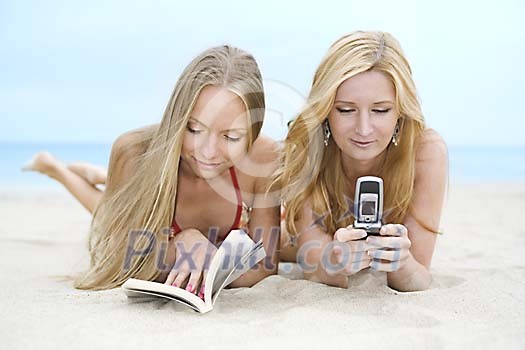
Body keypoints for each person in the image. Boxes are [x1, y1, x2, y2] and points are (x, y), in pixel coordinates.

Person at [23, 45, 281, 296]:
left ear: (252, 131)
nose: (208, 151)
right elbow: (117, 258)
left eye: (231, 136)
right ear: (176, 117)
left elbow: (265, 269)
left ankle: (99, 176)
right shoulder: (134, 153)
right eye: (194, 129)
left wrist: (205, 259)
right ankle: (55, 168)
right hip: (147, 178)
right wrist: (182, 243)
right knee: (104, 213)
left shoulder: (263, 157)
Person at [275, 31, 448, 292]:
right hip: (287, 239)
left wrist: (401, 262)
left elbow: (419, 275)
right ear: (325, 111)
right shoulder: (305, 149)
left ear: (400, 112)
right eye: (346, 110)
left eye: (380, 110)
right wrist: (334, 261)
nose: (364, 129)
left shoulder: (425, 152)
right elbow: (314, 267)